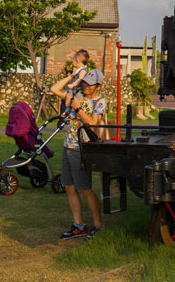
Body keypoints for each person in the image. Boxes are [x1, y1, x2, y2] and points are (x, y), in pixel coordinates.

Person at [50, 50, 106, 239]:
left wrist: (78, 108)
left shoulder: (100, 102)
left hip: (83, 149)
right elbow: (55, 90)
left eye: (89, 84)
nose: (86, 86)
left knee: (84, 188)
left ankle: (98, 225)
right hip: (69, 145)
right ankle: (78, 224)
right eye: (84, 82)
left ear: (98, 85)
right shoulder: (77, 94)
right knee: (68, 186)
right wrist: (70, 78)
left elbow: (92, 123)